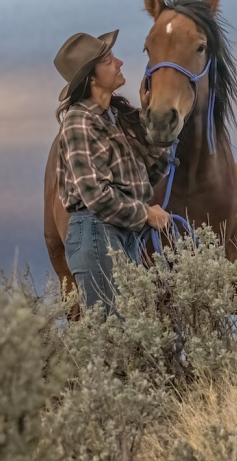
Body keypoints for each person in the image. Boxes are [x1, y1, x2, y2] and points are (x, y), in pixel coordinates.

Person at [54, 30, 171, 316]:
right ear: (92, 77)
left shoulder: (113, 120)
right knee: (113, 337)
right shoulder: (80, 123)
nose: (118, 62)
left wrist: (157, 125)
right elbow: (96, 196)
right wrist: (145, 214)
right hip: (96, 232)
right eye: (108, 60)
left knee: (127, 335)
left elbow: (144, 179)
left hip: (115, 233)